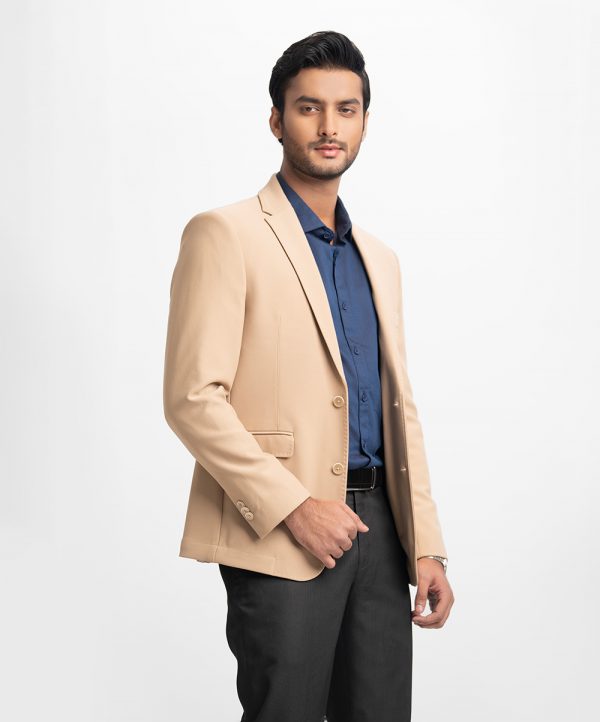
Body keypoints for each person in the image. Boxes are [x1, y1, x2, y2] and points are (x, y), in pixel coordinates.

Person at [163, 29, 454, 722]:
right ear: (276, 120)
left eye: (345, 109)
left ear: (364, 122)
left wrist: (428, 545)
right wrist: (295, 507)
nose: (329, 126)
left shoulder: (379, 258)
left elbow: (398, 409)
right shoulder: (225, 233)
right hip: (281, 528)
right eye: (308, 107)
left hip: (383, 531)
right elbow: (193, 398)